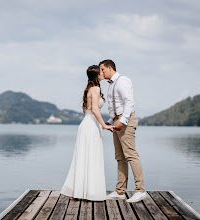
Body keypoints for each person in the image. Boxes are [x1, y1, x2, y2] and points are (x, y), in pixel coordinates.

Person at [60, 65, 113, 201]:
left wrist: (101, 123)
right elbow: (95, 109)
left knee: (85, 156)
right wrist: (103, 125)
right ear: (97, 76)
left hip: (87, 123)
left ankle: (79, 191)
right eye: (100, 72)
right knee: (91, 156)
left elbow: (87, 111)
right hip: (91, 126)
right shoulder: (95, 89)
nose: (102, 73)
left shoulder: (89, 89)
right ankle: (89, 192)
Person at [99, 59, 146, 203]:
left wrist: (122, 121)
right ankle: (120, 191)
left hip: (126, 121)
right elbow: (116, 106)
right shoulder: (112, 85)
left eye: (102, 69)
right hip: (117, 122)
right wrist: (112, 121)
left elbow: (129, 103)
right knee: (120, 157)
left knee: (131, 154)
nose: (101, 72)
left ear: (109, 67)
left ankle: (140, 190)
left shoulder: (122, 80)